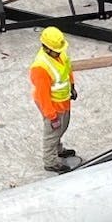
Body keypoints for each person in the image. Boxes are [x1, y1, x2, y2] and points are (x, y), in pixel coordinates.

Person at [30, 26, 81, 172]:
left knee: (61, 128)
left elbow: (67, 69)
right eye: (56, 50)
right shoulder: (40, 68)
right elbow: (42, 96)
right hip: (52, 105)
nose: (60, 51)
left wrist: (72, 86)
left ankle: (58, 150)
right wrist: (51, 117)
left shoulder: (60, 53)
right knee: (52, 132)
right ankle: (50, 161)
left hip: (63, 100)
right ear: (46, 48)